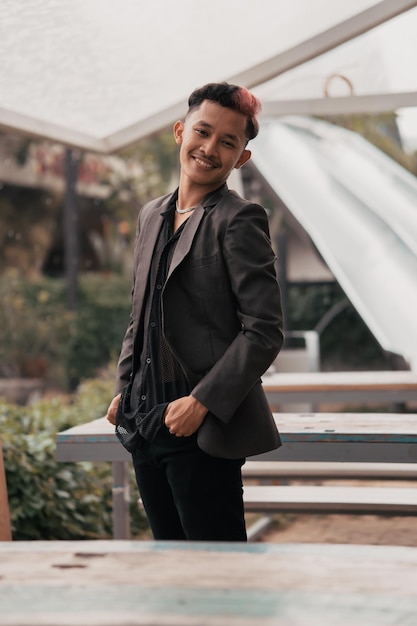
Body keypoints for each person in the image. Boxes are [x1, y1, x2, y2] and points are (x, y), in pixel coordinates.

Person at [106, 82, 284, 541]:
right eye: (202, 132)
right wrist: (127, 387)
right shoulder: (150, 215)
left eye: (228, 141)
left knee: (222, 581)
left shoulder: (239, 219)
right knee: (174, 570)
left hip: (202, 428)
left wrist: (201, 401)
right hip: (145, 423)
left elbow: (264, 331)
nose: (210, 148)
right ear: (180, 131)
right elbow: (140, 313)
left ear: (242, 157)